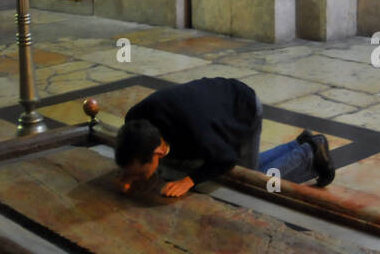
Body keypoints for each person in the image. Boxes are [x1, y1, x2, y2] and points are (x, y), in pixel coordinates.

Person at [115, 77, 336, 198]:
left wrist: (188, 181)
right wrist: (129, 174)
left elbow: (225, 158)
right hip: (213, 105)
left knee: (249, 182)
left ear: (158, 152)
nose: (134, 178)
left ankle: (310, 154)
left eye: (139, 172)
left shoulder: (194, 130)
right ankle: (298, 145)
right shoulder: (135, 120)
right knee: (217, 170)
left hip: (242, 109)